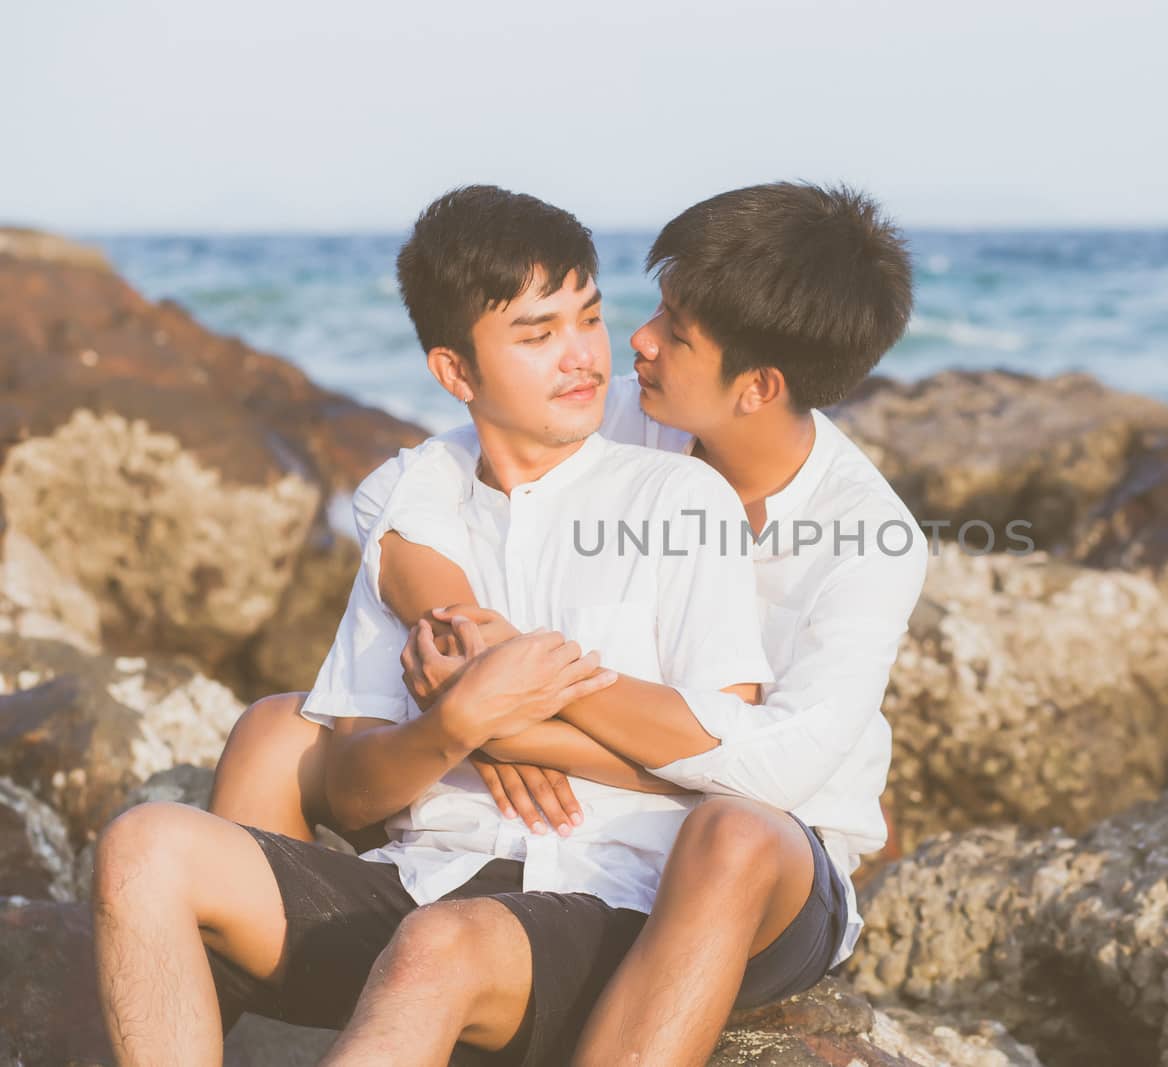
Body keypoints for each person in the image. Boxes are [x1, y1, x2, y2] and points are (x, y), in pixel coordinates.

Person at [196, 181, 925, 1065]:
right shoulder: (626, 410)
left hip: (764, 861)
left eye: (677, 332)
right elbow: (407, 491)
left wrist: (522, 721)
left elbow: (776, 770)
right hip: (586, 816)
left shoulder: (869, 543)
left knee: (728, 834)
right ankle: (262, 1012)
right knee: (280, 729)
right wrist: (463, 638)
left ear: (759, 386)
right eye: (655, 305)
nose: (639, 340)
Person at [94, 185, 781, 1067]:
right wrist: (456, 724)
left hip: (602, 902)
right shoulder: (423, 504)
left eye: (588, 319)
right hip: (419, 881)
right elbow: (348, 789)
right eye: (537, 336)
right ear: (456, 372)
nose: (580, 358)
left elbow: (729, 752)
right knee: (142, 844)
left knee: (438, 947)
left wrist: (527, 722)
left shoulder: (677, 497)